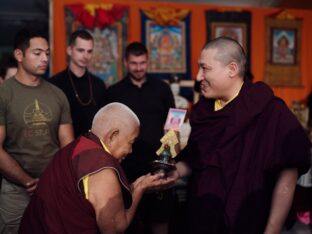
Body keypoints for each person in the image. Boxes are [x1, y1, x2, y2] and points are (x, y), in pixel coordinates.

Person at [173, 37, 311, 234]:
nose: (198, 77)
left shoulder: (270, 110)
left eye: (205, 68)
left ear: (232, 69)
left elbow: (287, 175)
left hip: (248, 220)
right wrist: (174, 172)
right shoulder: (204, 110)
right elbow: (198, 159)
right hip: (202, 216)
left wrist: (272, 230)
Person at [19, 102, 176, 233]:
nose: (130, 151)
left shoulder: (80, 144)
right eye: (131, 142)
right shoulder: (101, 169)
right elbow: (114, 228)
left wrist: (136, 185)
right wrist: (141, 188)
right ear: (113, 135)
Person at [0, 28, 74, 233]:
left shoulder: (57, 95)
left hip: (53, 187)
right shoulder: (4, 93)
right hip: (15, 189)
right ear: (19, 55)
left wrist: (52, 180)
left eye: (47, 53)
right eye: (38, 53)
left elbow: (67, 147)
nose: (44, 58)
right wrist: (27, 181)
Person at [107, 42, 175, 234]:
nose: (139, 68)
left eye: (143, 63)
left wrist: (167, 158)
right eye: (134, 63)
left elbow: (173, 125)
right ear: (126, 63)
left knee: (160, 218)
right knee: (128, 220)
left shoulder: (163, 89)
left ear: (148, 62)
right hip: (126, 166)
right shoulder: (114, 91)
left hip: (157, 165)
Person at [50, 29, 107, 137]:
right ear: (69, 50)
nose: (86, 56)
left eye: (89, 51)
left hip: (92, 146)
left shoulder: (99, 84)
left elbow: (103, 121)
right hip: (64, 146)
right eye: (80, 50)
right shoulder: (55, 83)